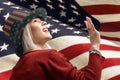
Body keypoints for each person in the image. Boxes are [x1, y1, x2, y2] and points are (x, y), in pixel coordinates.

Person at [3, 8, 105, 80]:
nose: (44, 22)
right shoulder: (48, 57)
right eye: (36, 21)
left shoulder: (19, 68)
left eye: (42, 20)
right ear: (26, 32)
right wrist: (95, 45)